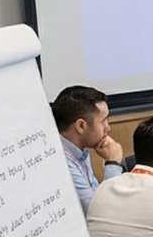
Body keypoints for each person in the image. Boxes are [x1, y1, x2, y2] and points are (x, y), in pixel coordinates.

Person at [52, 85, 124, 213]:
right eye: (103, 121)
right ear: (81, 126)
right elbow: (99, 213)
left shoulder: (80, 149)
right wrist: (113, 163)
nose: (108, 128)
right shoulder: (61, 162)